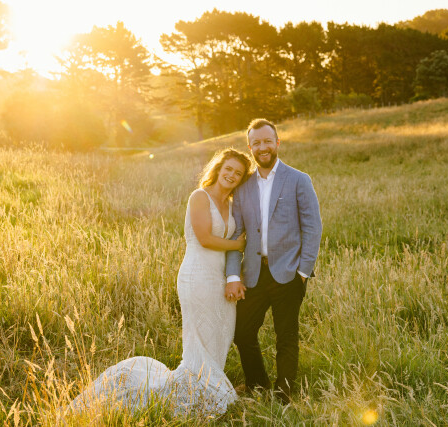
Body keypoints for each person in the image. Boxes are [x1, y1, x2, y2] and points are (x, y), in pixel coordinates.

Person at [68, 148, 252, 417]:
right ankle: (195, 394)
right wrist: (238, 244)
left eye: (238, 173)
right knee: (199, 339)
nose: (232, 175)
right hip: (197, 275)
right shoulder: (200, 197)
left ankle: (206, 391)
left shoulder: (233, 204)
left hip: (220, 278)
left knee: (220, 335)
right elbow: (204, 238)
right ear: (218, 168)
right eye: (229, 169)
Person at [225, 118, 322, 403]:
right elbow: (237, 234)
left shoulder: (299, 180)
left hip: (289, 273)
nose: (263, 147)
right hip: (253, 273)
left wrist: (303, 272)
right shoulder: (243, 186)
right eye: (256, 143)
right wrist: (233, 275)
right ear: (250, 147)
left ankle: (284, 394)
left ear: (277, 142)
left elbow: (313, 228)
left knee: (286, 336)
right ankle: (257, 383)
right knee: (242, 332)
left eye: (267, 141)